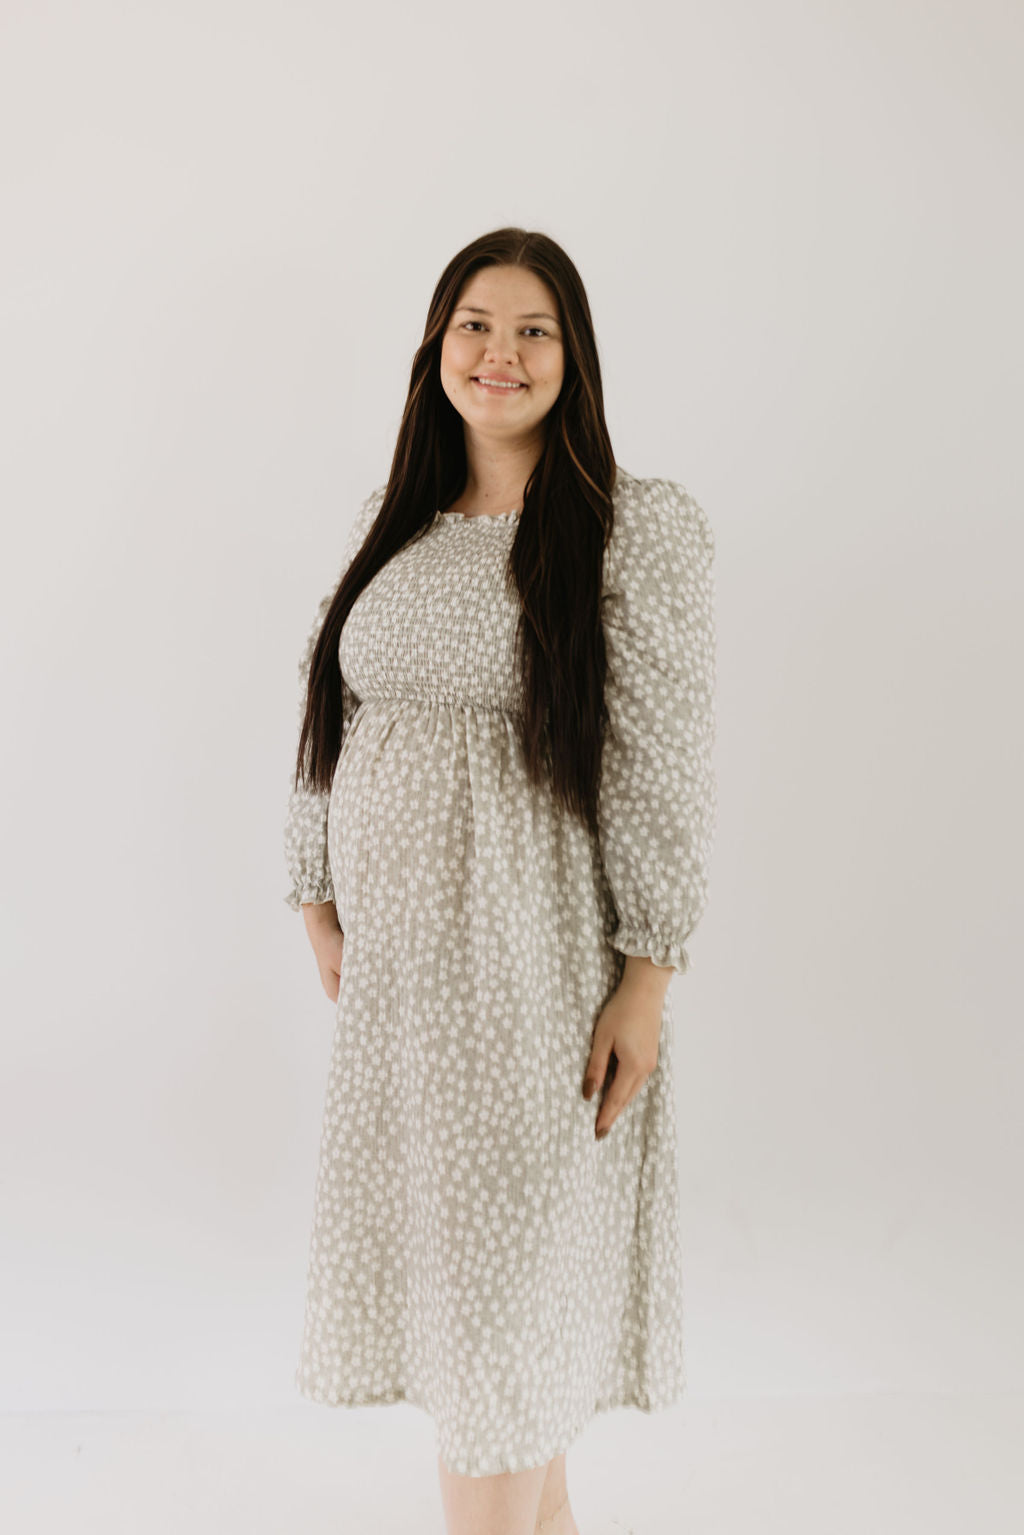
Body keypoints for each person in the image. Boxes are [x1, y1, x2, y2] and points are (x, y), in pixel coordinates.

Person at [283, 226, 717, 1535]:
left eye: (535, 330)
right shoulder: (394, 525)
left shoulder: (631, 529)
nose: (501, 354)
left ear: (574, 358)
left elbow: (663, 765)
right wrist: (316, 894)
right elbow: (328, 718)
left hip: (535, 990)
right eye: (476, 324)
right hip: (406, 1005)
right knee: (493, 1345)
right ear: (437, 345)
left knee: (500, 1346)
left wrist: (647, 978)